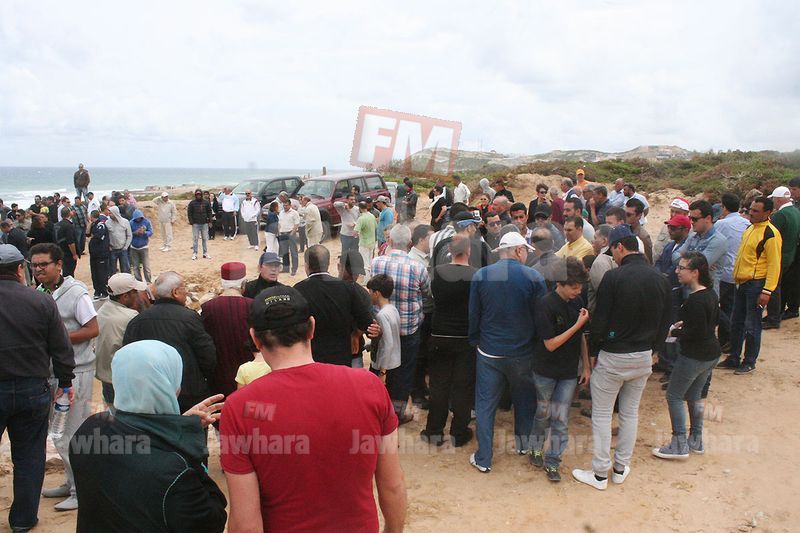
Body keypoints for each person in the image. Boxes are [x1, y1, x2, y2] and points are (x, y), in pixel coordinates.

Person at [220, 286, 407, 532]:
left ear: (255, 338)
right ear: (311, 328)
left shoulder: (239, 408)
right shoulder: (369, 386)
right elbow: (392, 485)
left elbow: (246, 525)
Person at [70, 340, 227, 532]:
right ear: (170, 387)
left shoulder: (90, 431)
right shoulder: (177, 472)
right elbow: (213, 519)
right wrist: (186, 439)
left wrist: (175, 427)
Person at [572, 225, 671, 490]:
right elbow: (666, 320)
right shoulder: (661, 278)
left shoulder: (613, 278)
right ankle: (620, 468)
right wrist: (655, 350)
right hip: (643, 356)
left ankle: (599, 473)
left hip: (614, 356)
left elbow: (601, 319)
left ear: (619, 247)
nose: (612, 257)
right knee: (629, 414)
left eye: (612, 251)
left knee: (602, 415)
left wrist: (593, 352)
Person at [0, 244, 74, 531]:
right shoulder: (41, 301)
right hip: (32, 390)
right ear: (20, 269)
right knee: (30, 457)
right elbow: (61, 346)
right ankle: (23, 520)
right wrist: (65, 382)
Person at [468, 232, 547, 472]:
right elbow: (540, 317)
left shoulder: (481, 275)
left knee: (485, 405)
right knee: (524, 399)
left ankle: (484, 458)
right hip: (522, 352)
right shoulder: (534, 277)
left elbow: (474, 314)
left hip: (489, 352)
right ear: (519, 250)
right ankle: (523, 444)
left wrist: (476, 340)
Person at [31, 243, 99, 512]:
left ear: (59, 265)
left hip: (76, 371)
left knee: (68, 434)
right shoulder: (40, 292)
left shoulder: (76, 293)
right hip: (52, 372)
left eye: (43, 264)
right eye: (34, 265)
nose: (38, 270)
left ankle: (81, 491)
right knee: (60, 432)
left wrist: (56, 339)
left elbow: (92, 329)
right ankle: (71, 482)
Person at [652, 252, 719, 459]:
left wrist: (674, 332)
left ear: (695, 272)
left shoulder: (694, 300)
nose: (677, 271)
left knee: (674, 396)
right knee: (694, 396)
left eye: (682, 268)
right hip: (710, 354)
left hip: (694, 356)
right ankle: (696, 440)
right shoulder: (710, 294)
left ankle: (679, 443)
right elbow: (709, 324)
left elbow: (696, 332)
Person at [529, 257, 591, 481]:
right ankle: (535, 448)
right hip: (545, 370)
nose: (578, 291)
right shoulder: (545, 305)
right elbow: (550, 344)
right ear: (560, 283)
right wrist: (578, 325)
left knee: (561, 418)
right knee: (543, 414)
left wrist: (586, 365)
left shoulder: (577, 301)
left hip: (568, 372)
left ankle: (553, 460)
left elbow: (581, 337)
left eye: (580, 287)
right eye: (574, 287)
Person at [123, 271, 217, 412]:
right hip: (189, 392)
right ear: (175, 292)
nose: (187, 292)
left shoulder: (137, 322)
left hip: (152, 396)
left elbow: (128, 358)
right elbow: (207, 355)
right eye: (184, 288)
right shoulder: (189, 318)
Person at [421, 234, 477, 447]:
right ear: (469, 251)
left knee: (438, 385)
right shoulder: (476, 275)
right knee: (463, 387)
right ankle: (459, 433)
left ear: (450, 252)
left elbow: (432, 297)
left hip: (440, 334)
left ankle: (434, 431)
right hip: (465, 337)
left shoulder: (437, 273)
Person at [371, 225, 431, 422]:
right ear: (410, 243)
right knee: (404, 374)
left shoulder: (376, 263)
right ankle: (396, 413)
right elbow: (427, 293)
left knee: (381, 368)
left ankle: (379, 409)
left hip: (382, 328)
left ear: (389, 241)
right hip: (408, 329)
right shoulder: (417, 268)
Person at [717, 197, 782, 374]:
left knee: (752, 324)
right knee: (736, 321)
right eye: (750, 210)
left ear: (767, 213)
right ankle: (733, 357)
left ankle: (749, 361)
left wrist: (767, 290)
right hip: (742, 282)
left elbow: (774, 265)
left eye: (755, 211)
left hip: (756, 284)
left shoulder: (770, 234)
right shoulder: (750, 228)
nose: (750, 213)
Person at [294, 245, 376, 367]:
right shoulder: (347, 288)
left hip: (312, 358)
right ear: (328, 264)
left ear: (306, 265)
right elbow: (366, 322)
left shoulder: (298, 290)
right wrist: (355, 334)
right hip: (342, 358)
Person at [202, 262, 255, 402]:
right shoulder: (252, 305)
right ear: (243, 284)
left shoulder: (208, 307)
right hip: (248, 375)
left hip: (219, 374)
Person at [94, 273, 147, 405]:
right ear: (125, 296)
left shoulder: (102, 310)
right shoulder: (130, 317)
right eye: (135, 292)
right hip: (121, 379)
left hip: (105, 376)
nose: (138, 295)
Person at [653, 214, 691, 377]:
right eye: (669, 227)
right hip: (665, 290)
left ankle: (672, 367)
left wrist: (663, 277)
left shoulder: (686, 249)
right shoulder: (670, 245)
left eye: (674, 228)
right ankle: (664, 361)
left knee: (673, 329)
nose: (670, 230)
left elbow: (675, 271)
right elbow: (659, 262)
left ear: (685, 230)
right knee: (664, 327)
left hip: (675, 292)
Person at [714, 192, 750, 350]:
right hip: (742, 270)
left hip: (725, 272)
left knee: (720, 307)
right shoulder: (746, 223)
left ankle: (731, 335)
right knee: (732, 306)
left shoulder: (721, 224)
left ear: (724, 207)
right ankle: (728, 339)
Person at [763, 186, 800, 328]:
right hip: (791, 255)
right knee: (782, 286)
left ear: (778, 200)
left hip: (779, 256)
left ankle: (773, 317)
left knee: (773, 287)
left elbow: (769, 234)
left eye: (773, 199)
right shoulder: (796, 211)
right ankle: (777, 313)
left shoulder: (780, 215)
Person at [674, 200, 728, 295]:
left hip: (706, 294)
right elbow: (674, 256)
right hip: (687, 292)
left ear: (708, 218)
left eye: (695, 219)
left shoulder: (718, 240)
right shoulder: (692, 236)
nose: (691, 222)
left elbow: (699, 266)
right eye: (690, 218)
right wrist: (692, 262)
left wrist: (685, 258)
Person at [366, 273, 402, 380]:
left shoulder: (382, 315)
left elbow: (388, 344)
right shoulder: (393, 309)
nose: (369, 295)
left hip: (384, 365)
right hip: (395, 362)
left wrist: (382, 372)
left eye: (370, 292)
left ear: (376, 293)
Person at [587, 224, 615, 313]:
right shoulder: (616, 256)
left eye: (595, 238)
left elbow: (603, 292)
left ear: (604, 241)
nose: (592, 241)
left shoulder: (600, 262)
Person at [86, 210, 110, 299]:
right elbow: (87, 234)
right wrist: (89, 225)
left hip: (101, 253)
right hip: (93, 254)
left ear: (92, 216)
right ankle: (97, 291)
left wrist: (92, 237)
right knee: (94, 273)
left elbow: (98, 237)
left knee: (101, 273)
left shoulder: (101, 225)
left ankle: (104, 291)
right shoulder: (93, 225)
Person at [624, 198, 653, 264]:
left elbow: (648, 262)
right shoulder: (623, 229)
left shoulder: (643, 236)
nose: (625, 217)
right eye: (624, 213)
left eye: (629, 215)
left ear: (639, 216)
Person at [187, 189, 213, 260]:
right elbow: (189, 213)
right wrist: (191, 222)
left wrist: (210, 221)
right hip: (196, 224)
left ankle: (205, 253)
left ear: (201, 194)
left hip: (204, 223)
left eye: (199, 194)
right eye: (197, 194)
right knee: (195, 239)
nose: (198, 195)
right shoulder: (192, 203)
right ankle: (194, 253)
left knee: (204, 238)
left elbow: (209, 212)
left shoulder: (206, 202)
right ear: (195, 195)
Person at [106, 205, 132, 274]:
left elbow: (129, 235)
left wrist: (125, 247)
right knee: (112, 270)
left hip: (123, 249)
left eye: (111, 213)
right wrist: (108, 246)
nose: (109, 215)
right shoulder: (107, 223)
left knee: (125, 269)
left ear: (115, 213)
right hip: (112, 250)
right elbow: (106, 236)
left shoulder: (125, 222)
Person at [129, 209, 153, 283]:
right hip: (134, 247)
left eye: (139, 218)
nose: (138, 219)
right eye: (137, 218)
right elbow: (129, 233)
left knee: (146, 266)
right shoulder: (131, 223)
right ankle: (138, 281)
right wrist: (135, 233)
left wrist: (144, 232)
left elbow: (151, 232)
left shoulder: (146, 222)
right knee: (135, 266)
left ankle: (148, 281)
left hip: (144, 247)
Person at [54, 207, 80, 277]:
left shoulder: (56, 225)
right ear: (69, 213)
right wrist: (74, 254)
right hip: (68, 253)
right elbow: (70, 242)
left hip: (59, 251)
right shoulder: (69, 226)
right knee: (69, 273)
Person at [356, 200, 378, 280]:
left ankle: (366, 280)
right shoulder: (372, 216)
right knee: (370, 261)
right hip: (372, 242)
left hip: (364, 243)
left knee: (365, 263)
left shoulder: (361, 219)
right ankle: (371, 277)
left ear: (360, 208)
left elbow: (355, 232)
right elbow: (375, 227)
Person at [277, 199, 300, 275]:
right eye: (284, 205)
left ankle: (294, 269)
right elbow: (279, 223)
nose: (285, 207)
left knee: (294, 252)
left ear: (290, 205)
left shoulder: (294, 213)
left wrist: (292, 233)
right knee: (284, 253)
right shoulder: (281, 213)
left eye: (286, 205)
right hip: (283, 234)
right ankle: (286, 268)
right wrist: (279, 232)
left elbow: (296, 224)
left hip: (290, 233)